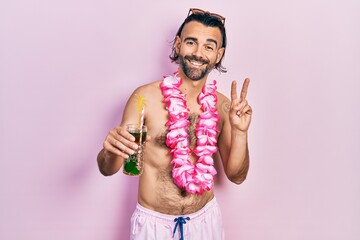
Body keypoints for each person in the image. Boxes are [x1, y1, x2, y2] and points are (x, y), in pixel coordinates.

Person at [97, 8, 252, 240]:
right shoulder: (144, 99)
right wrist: (110, 152)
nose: (198, 53)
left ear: (218, 55)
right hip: (154, 226)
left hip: (205, 221)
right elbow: (107, 168)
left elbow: (237, 176)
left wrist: (240, 132)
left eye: (208, 46)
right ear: (178, 45)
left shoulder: (223, 106)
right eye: (191, 42)